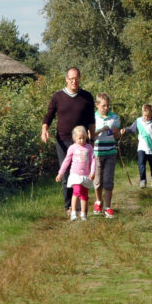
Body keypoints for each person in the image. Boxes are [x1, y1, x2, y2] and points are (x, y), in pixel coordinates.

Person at [41, 67, 96, 213]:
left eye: (76, 78)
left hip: (82, 142)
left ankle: (78, 206)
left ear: (80, 78)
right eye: (71, 78)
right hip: (63, 140)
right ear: (66, 79)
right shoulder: (57, 97)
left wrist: (93, 137)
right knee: (66, 173)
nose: (74, 81)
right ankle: (68, 206)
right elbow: (49, 116)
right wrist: (44, 130)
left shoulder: (87, 97)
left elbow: (91, 119)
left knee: (82, 173)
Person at [55, 126, 95, 221]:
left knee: (85, 195)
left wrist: (92, 172)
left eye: (84, 138)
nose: (82, 140)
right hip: (75, 175)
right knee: (76, 191)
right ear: (74, 138)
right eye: (79, 138)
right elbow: (66, 161)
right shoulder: (72, 148)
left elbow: (93, 160)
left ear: (86, 137)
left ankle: (83, 214)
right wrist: (60, 173)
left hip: (85, 175)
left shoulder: (89, 147)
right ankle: (73, 212)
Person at [93, 92, 121, 218]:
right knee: (98, 180)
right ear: (97, 105)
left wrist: (116, 132)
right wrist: (100, 130)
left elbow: (118, 135)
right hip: (97, 152)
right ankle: (98, 201)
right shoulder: (93, 118)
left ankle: (108, 207)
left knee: (108, 180)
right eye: (103, 106)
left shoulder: (114, 117)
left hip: (110, 152)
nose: (106, 108)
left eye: (108, 106)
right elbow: (90, 136)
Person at [121, 103, 152, 188]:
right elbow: (132, 129)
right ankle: (143, 180)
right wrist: (125, 130)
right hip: (142, 147)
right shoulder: (138, 121)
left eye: (148, 116)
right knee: (141, 164)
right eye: (145, 115)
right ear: (142, 113)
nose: (146, 118)